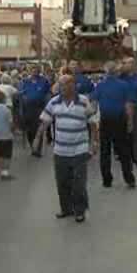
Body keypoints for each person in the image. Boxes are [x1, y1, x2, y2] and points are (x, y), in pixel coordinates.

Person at [33, 74, 99, 223]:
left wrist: (95, 142)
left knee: (78, 183)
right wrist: (37, 138)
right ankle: (66, 209)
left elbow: (93, 122)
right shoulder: (54, 102)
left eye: (66, 84)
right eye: (61, 85)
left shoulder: (83, 101)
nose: (62, 87)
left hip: (79, 149)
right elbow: (45, 122)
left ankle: (80, 210)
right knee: (62, 182)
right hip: (60, 150)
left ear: (73, 86)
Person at [91, 61, 135, 188]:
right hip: (120, 120)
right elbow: (128, 105)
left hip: (105, 120)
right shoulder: (124, 85)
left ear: (105, 71)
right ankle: (129, 178)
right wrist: (130, 122)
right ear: (116, 72)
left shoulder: (100, 86)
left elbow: (93, 104)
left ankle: (107, 180)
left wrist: (92, 119)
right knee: (123, 151)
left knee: (105, 151)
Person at [20, 65, 51, 157]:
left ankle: (38, 149)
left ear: (39, 71)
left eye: (36, 71)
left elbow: (48, 93)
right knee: (30, 130)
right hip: (28, 108)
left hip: (40, 107)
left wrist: (47, 107)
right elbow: (22, 93)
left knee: (39, 129)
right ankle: (32, 145)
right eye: (33, 71)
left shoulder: (44, 81)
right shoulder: (26, 81)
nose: (35, 72)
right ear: (30, 72)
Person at [0, 90, 15, 180]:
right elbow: (10, 123)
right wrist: (12, 129)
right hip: (6, 135)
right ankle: (5, 171)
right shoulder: (7, 110)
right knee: (7, 154)